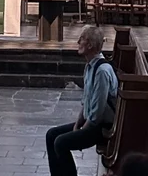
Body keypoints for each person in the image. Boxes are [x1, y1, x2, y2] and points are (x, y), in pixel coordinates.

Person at [45, 25, 118, 176]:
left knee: (61, 143)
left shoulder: (102, 71)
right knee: (51, 134)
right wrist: (78, 123)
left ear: (90, 45)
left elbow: (97, 112)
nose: (78, 42)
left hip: (102, 127)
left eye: (82, 39)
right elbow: (87, 101)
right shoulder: (89, 66)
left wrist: (82, 130)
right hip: (90, 121)